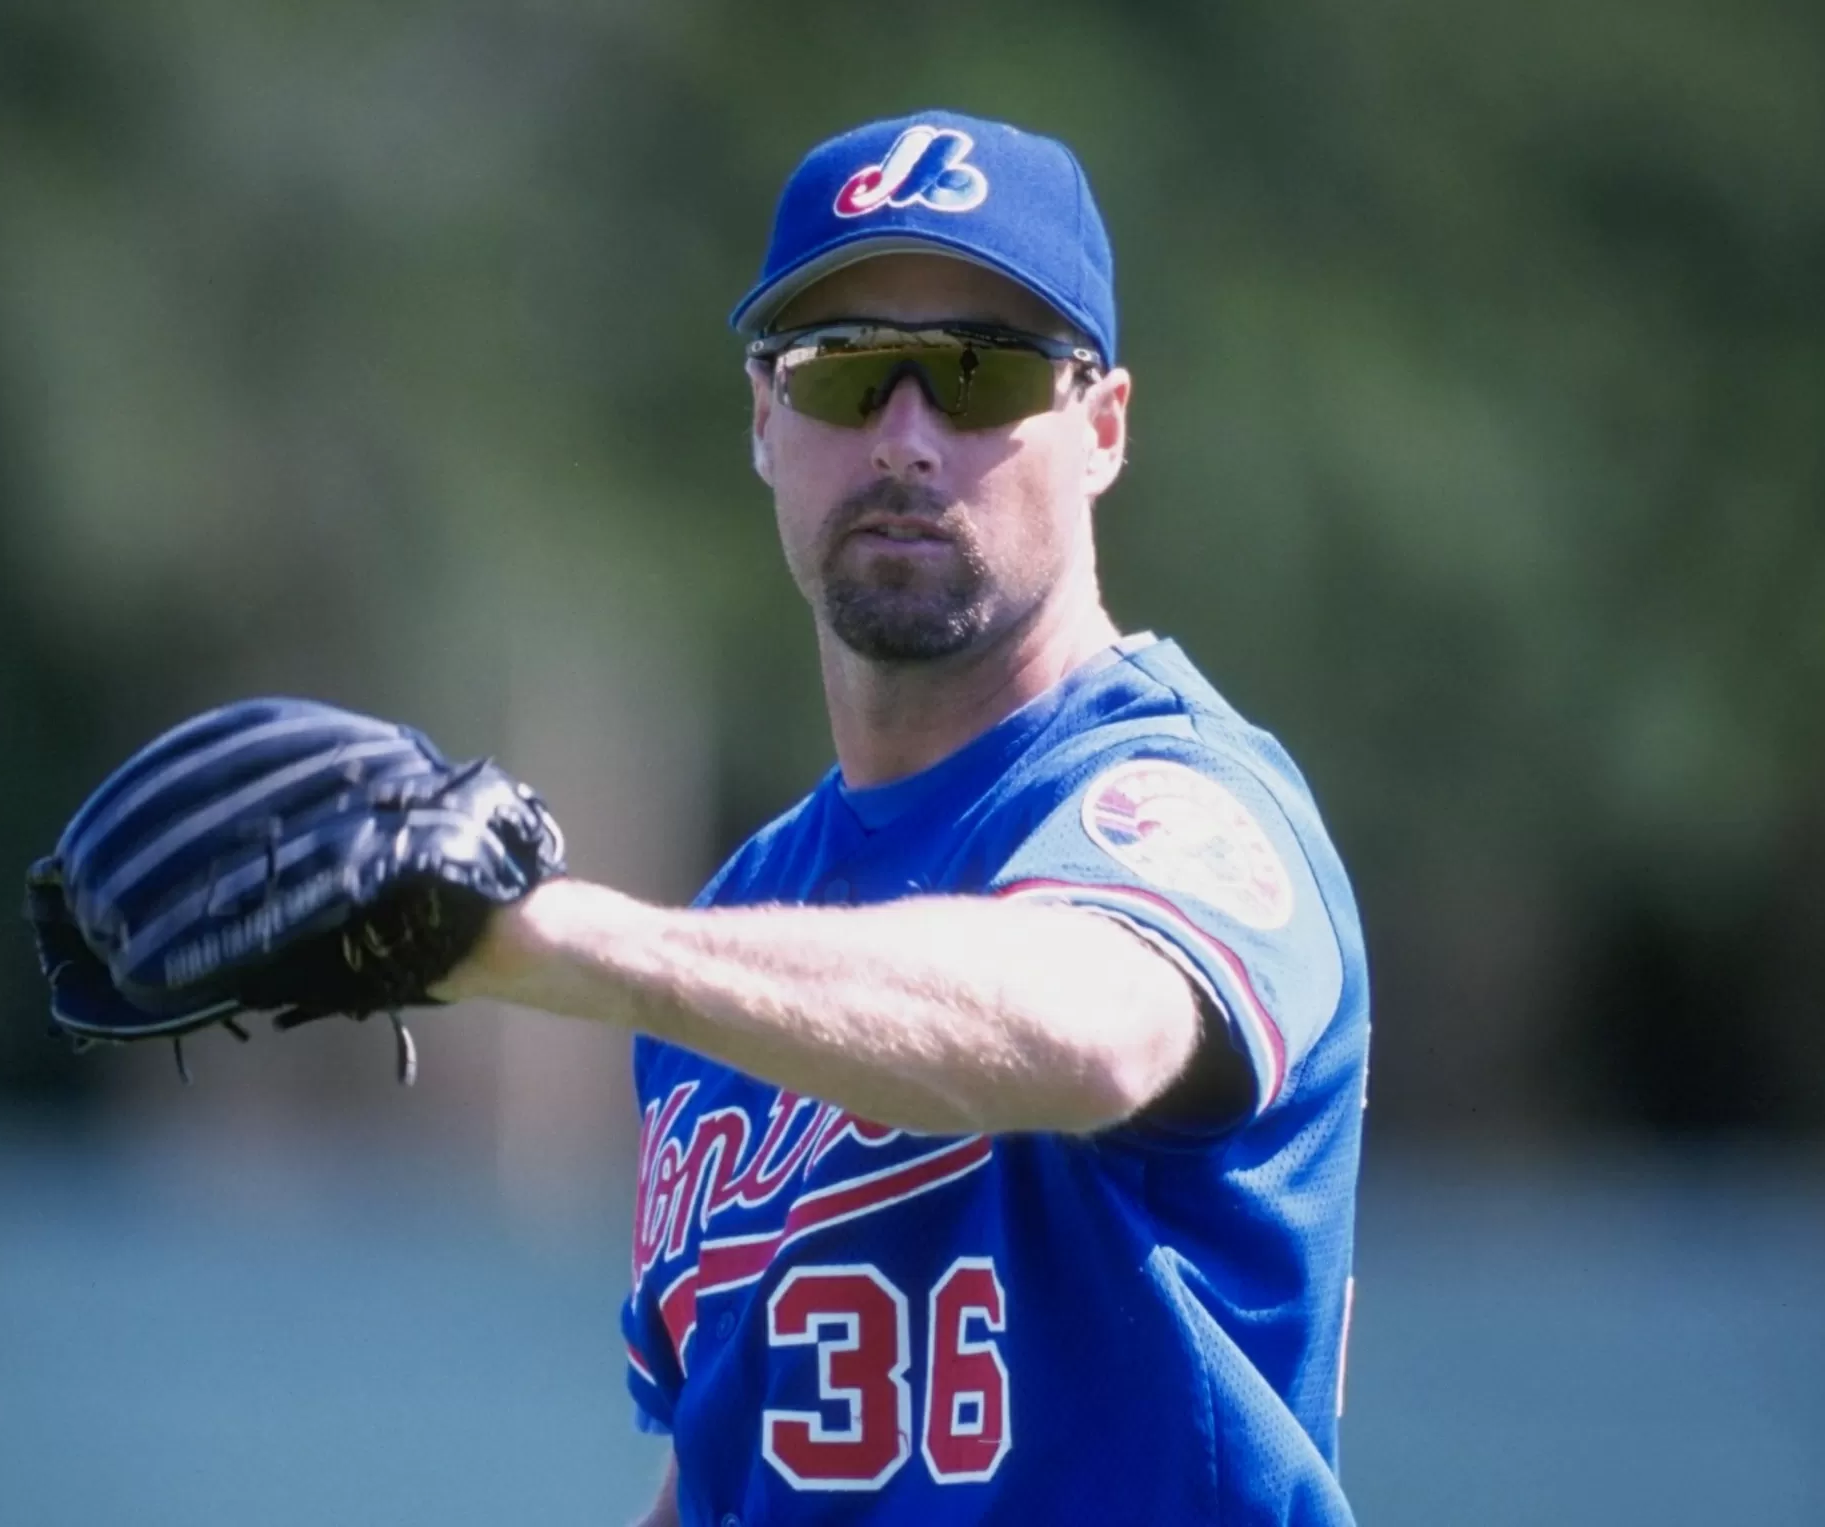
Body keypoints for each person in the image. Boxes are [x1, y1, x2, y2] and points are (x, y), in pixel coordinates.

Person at [442, 109, 1369, 1526]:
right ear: (766, 420)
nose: (906, 437)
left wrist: (558, 945)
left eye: (983, 371)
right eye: (846, 369)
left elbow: (1090, 1031)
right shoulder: (744, 919)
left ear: (1102, 427)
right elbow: (728, 1465)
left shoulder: (1186, 800)